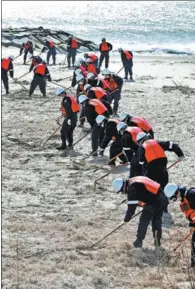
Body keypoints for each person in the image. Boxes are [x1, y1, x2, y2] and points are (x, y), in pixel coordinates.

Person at [112, 176, 167, 247]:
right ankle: (157, 241)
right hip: (161, 196)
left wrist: (126, 220)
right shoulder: (134, 180)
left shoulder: (132, 189)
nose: (123, 193)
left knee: (144, 220)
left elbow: (131, 209)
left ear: (123, 187)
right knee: (156, 220)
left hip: (153, 201)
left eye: (121, 191)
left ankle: (138, 242)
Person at [136, 132, 184, 212]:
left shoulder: (141, 148)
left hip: (151, 168)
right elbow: (173, 145)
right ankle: (164, 206)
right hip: (162, 167)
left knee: (147, 186)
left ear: (140, 141)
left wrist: (145, 174)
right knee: (163, 187)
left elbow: (141, 162)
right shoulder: (157, 142)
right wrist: (180, 155)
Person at [164, 183, 195, 267]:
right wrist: (192, 225)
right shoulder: (183, 200)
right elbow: (191, 214)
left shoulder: (192, 194)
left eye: (174, 198)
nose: (175, 200)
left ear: (177, 192)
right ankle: (193, 265)